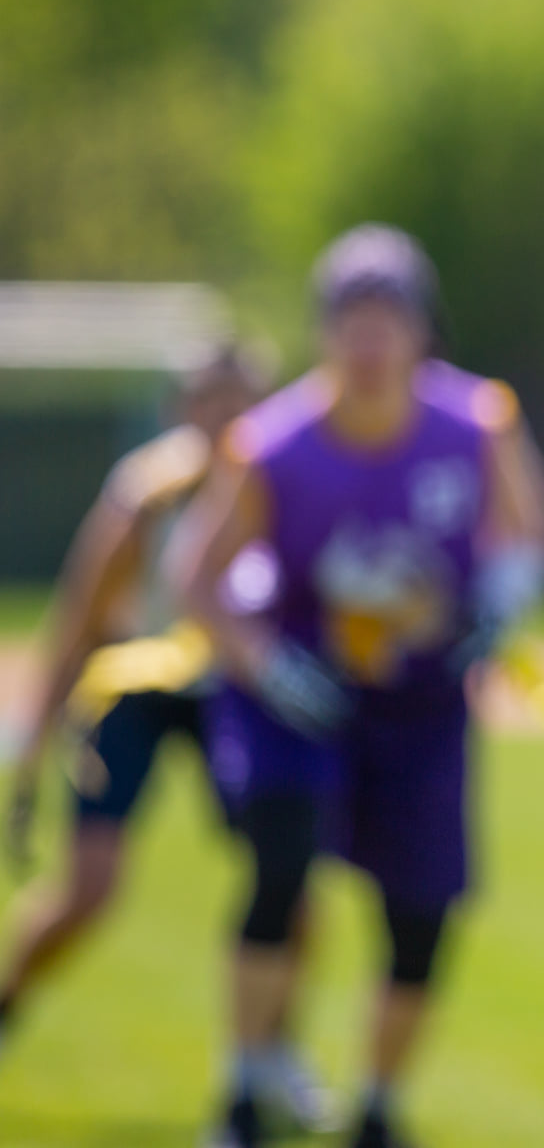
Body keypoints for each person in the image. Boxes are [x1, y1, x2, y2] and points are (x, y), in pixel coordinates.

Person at [178, 224, 544, 1148]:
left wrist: (499, 607)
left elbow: (529, 532)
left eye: (389, 320)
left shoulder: (478, 423)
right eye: (352, 321)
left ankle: (379, 1104)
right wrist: (266, 663)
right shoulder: (272, 445)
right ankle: (242, 1088)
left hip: (425, 700)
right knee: (281, 862)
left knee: (423, 908)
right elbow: (198, 580)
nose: (371, 342)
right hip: (303, 692)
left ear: (424, 330)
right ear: (324, 332)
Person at [0, 350, 335, 1130]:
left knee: (289, 881)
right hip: (136, 693)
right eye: (211, 403)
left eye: (241, 403)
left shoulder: (284, 480)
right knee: (90, 889)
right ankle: (8, 999)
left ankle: (274, 1056)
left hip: (238, 694)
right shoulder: (149, 493)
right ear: (183, 411)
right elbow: (81, 615)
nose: (225, 420)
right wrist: (34, 740)